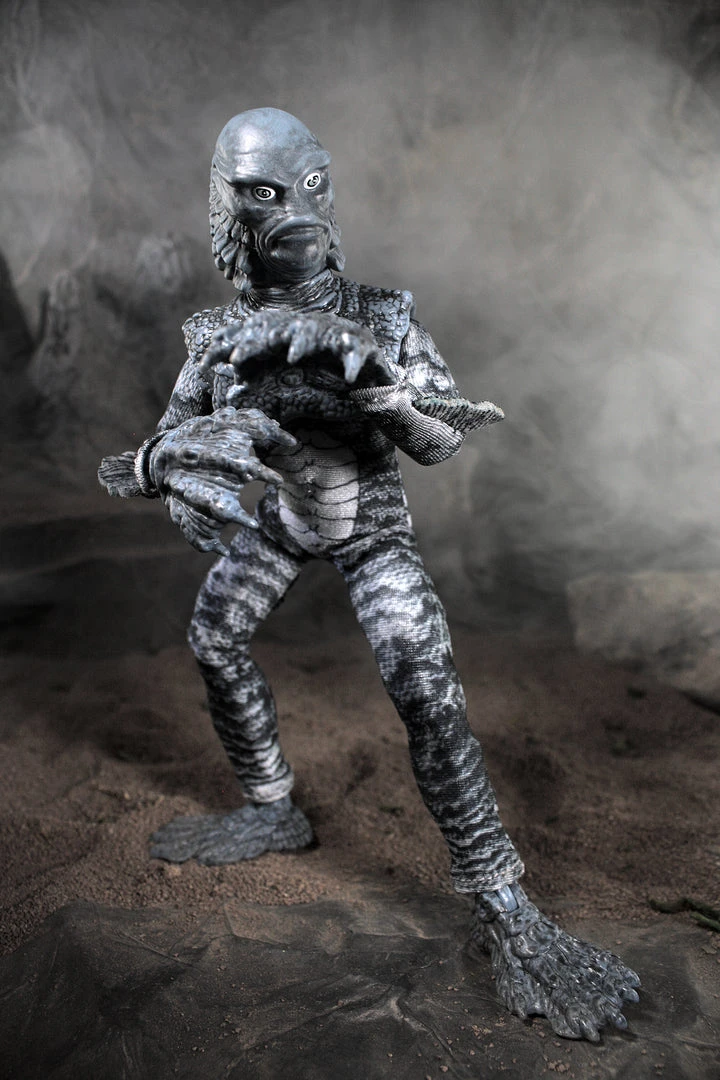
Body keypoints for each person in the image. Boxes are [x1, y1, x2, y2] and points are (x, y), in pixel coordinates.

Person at [99, 108, 639, 1041]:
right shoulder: (214, 336)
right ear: (229, 208)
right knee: (215, 636)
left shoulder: (383, 314)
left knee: (425, 686)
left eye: (309, 186)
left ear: (329, 187)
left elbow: (437, 440)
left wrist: (377, 383)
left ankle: (507, 907)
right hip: (279, 521)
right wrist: (165, 461)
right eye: (264, 193)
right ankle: (273, 806)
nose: (293, 212)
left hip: (372, 531)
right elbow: (148, 456)